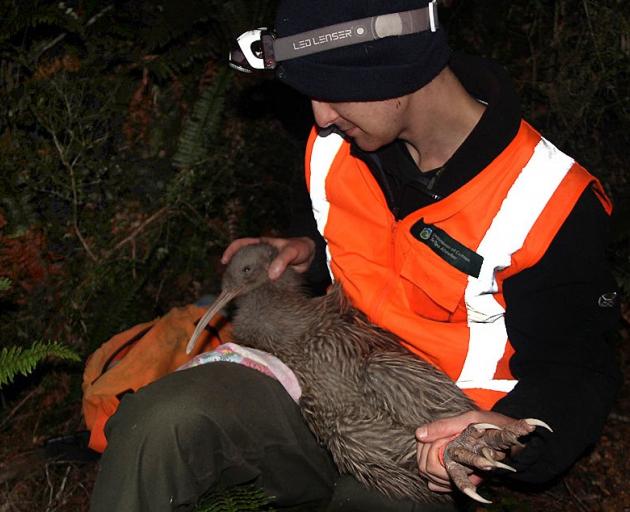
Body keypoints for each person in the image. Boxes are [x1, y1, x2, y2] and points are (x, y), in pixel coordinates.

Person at [89, 1, 621, 511]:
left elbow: (574, 370)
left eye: (331, 89)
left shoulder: (551, 204)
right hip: (316, 381)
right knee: (160, 421)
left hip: (433, 435)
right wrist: (307, 254)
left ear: (395, 65)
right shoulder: (337, 142)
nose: (319, 116)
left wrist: (497, 437)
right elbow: (356, 237)